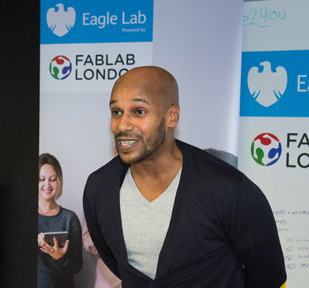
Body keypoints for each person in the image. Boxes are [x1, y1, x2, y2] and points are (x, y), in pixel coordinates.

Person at [83, 66, 286, 287]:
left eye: (139, 111)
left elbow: (269, 276)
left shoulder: (229, 189)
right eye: (116, 112)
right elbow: (116, 263)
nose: (122, 125)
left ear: (172, 116)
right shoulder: (99, 187)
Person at [37, 153, 82, 288]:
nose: (47, 185)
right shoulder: (25, 215)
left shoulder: (69, 219)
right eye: (41, 179)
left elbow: (77, 267)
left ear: (59, 181)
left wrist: (59, 258)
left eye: (52, 179)